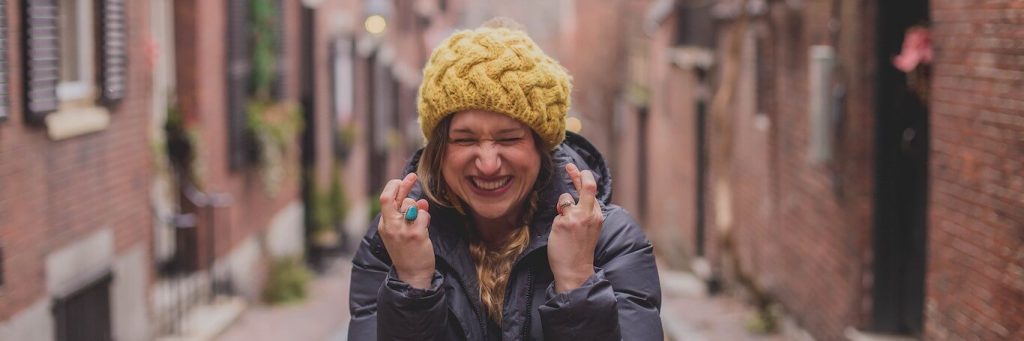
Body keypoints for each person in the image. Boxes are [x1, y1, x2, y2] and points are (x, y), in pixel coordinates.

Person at [348, 19, 663, 340]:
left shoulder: (610, 241)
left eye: (509, 138)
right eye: (465, 139)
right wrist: (412, 281)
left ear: (541, 149)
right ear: (440, 151)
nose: (487, 164)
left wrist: (577, 280)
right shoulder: (390, 243)